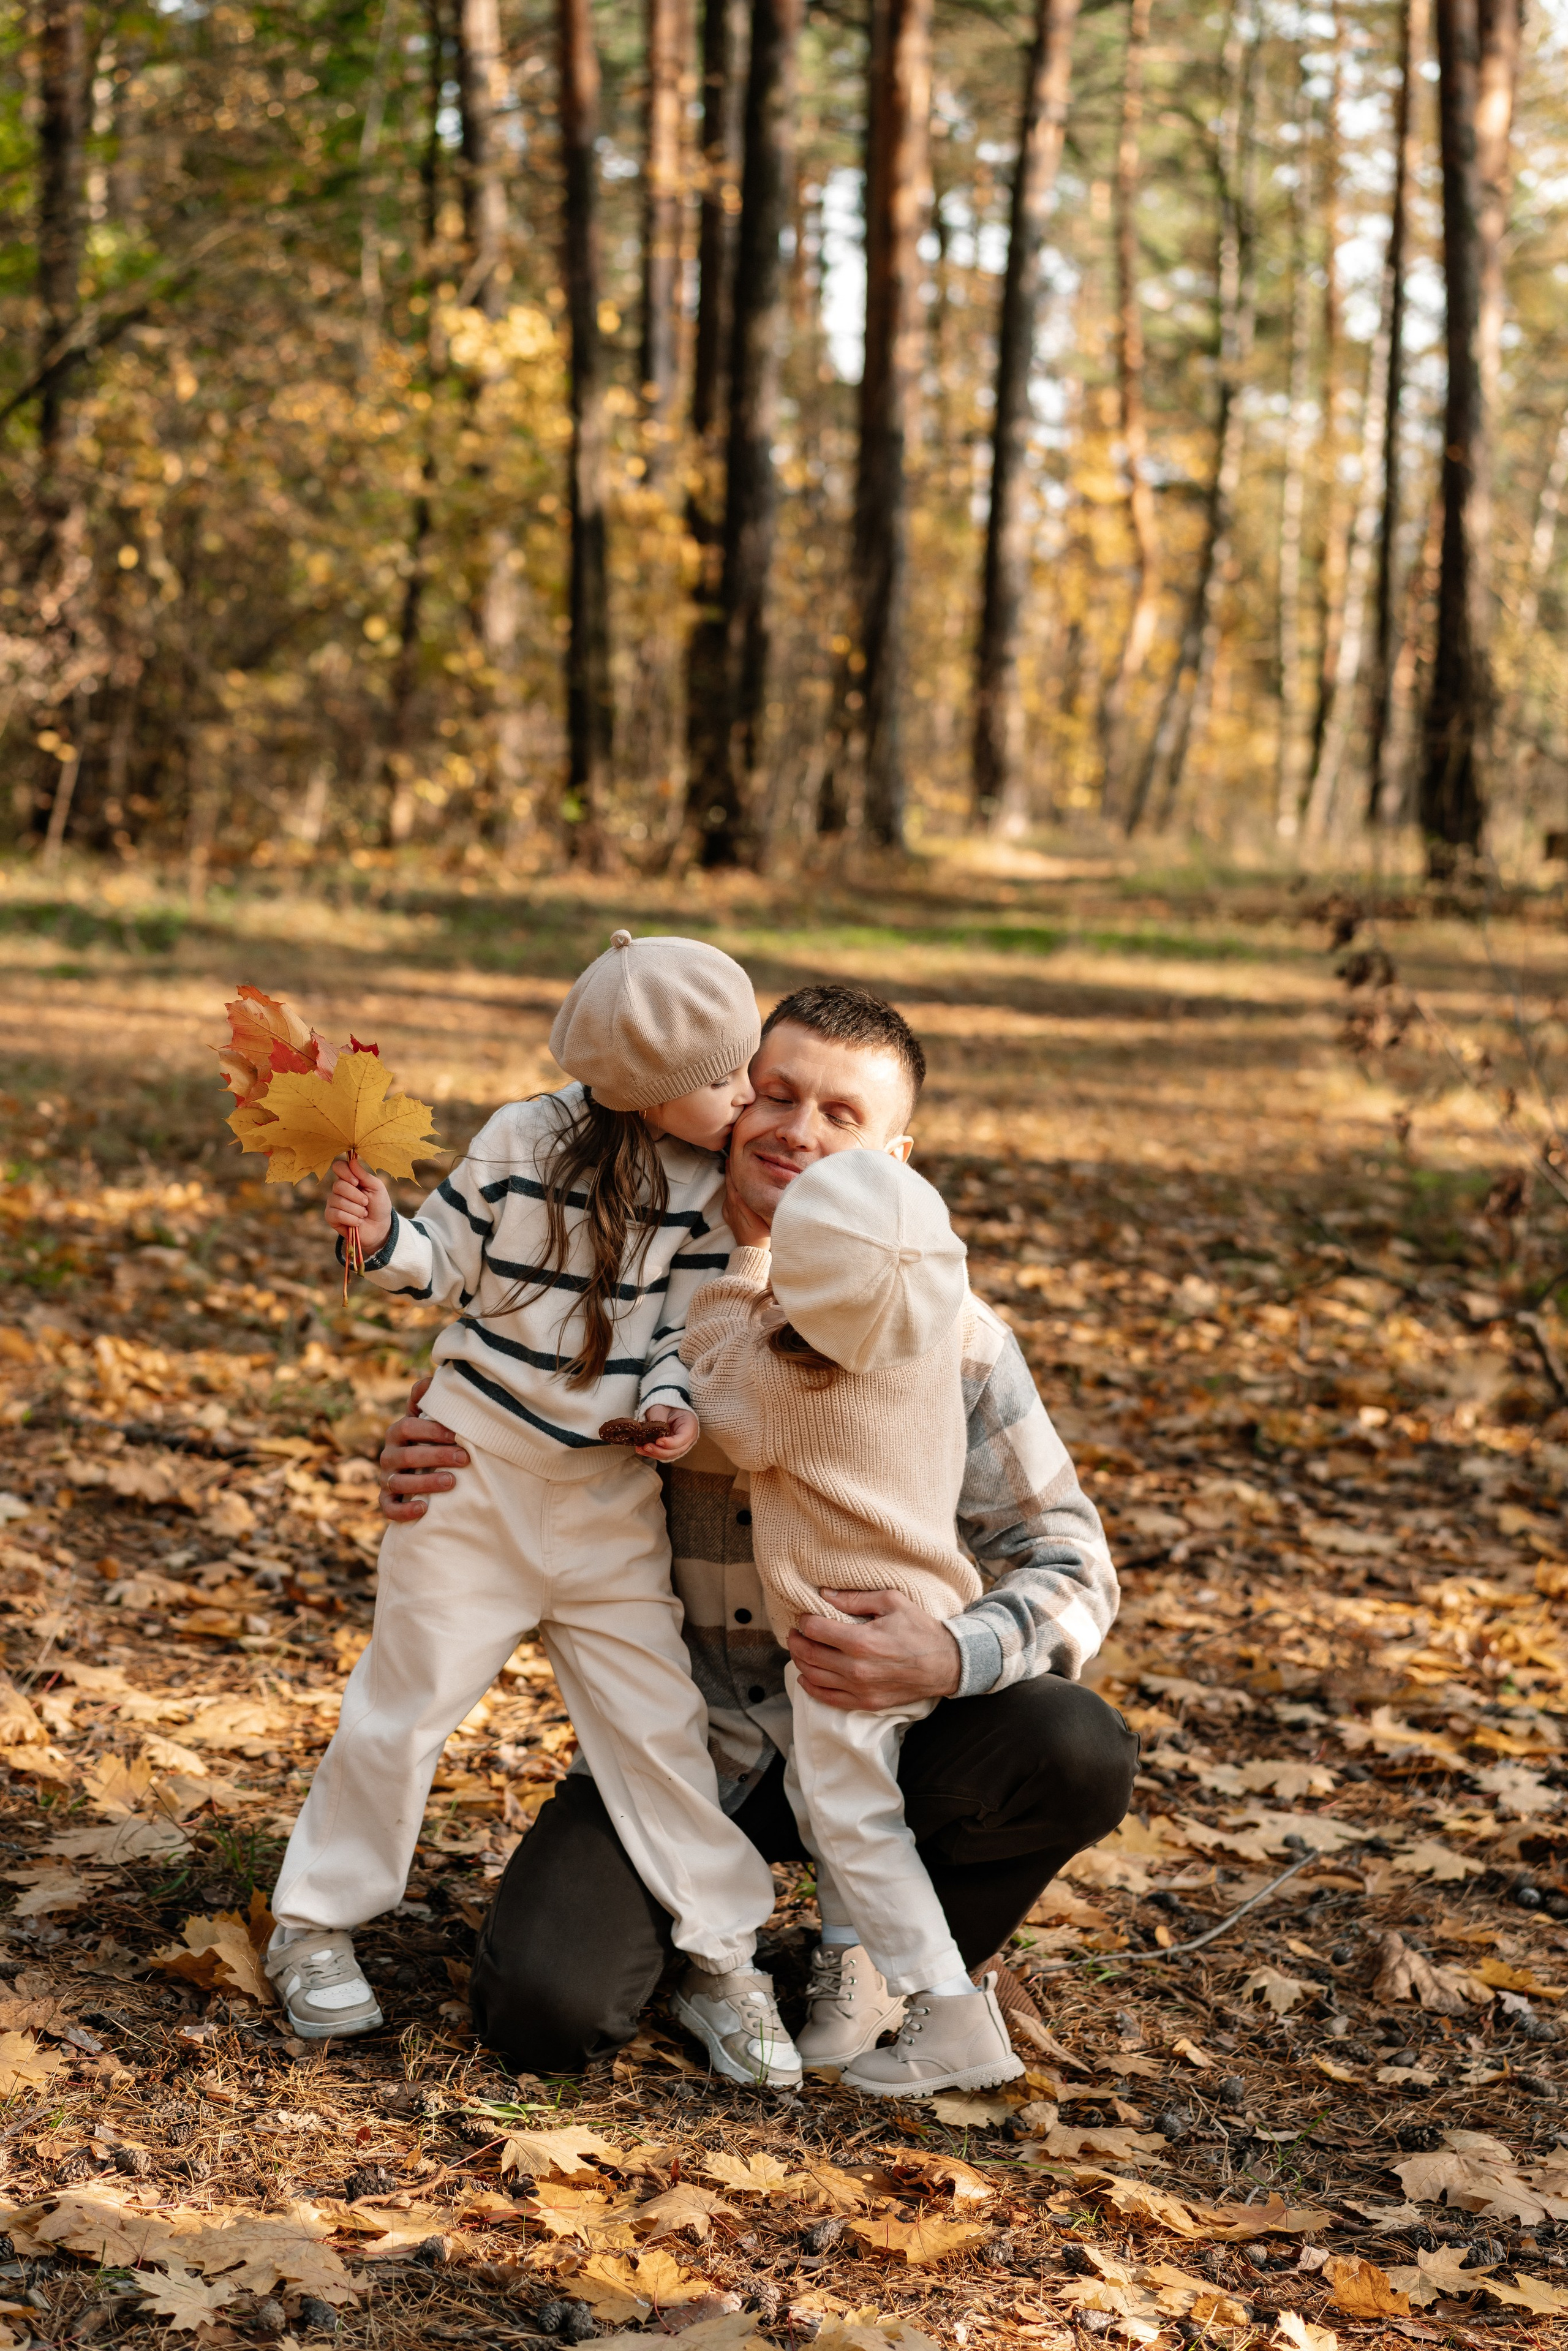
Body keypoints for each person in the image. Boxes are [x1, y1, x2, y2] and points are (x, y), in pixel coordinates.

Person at [378, 983, 1137, 2076]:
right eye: (774, 1095)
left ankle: (896, 1962)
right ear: (727, 1104)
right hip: (678, 1747)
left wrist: (949, 1648)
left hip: (886, 1727)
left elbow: (1070, 1558)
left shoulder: (954, 1338)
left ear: (900, 1158)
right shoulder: (630, 1287)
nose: (798, 1130)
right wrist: (418, 1450)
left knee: (1075, 1745)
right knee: (542, 2009)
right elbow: (503, 1399)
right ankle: (708, 1955)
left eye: (843, 1116)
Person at [265, 931, 802, 2085]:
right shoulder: (523, 1140)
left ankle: (722, 1957)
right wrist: (379, 1237)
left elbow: (679, 1335)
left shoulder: (713, 1191)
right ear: (646, 1088)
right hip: (474, 1476)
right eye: (726, 1078)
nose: (746, 1094)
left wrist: (671, 1411)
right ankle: (313, 1919)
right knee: (404, 1704)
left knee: (659, 1730)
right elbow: (446, 1255)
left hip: (607, 1501)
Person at [682, 1148, 1026, 2096]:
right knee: (848, 1808)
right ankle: (850, 2003)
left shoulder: (791, 1382)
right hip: (928, 1612)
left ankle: (946, 2006)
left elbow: (715, 1388)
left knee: (853, 1821)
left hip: (841, 1641)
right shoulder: (925, 1344)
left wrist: (748, 1266)